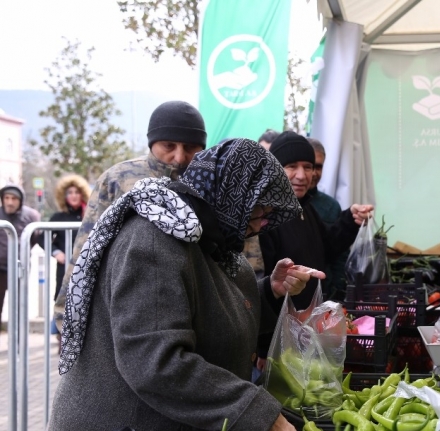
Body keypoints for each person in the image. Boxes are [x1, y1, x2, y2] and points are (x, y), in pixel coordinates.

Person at [49, 138, 322, 431]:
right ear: (232, 196)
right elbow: (156, 364)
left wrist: (270, 291)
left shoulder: (209, 239)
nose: (262, 224)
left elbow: (207, 309)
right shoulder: (154, 242)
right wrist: (257, 413)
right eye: (259, 210)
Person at [53, 100, 207, 333]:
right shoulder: (118, 179)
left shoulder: (209, 184)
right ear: (152, 142)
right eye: (169, 146)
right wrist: (67, 315)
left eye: (190, 148)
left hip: (193, 306)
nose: (179, 156)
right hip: (127, 306)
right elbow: (87, 247)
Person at [256, 131, 373, 369]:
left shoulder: (304, 209)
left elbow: (326, 246)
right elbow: (258, 285)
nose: (302, 175)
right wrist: (262, 346)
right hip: (277, 344)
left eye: (308, 167)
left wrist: (349, 220)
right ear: (276, 168)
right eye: (291, 166)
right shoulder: (264, 218)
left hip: (305, 335)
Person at [306, 137, 347, 299]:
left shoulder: (331, 206)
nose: (314, 173)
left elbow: (340, 255)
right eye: (310, 166)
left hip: (326, 291)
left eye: (319, 167)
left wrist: (338, 291)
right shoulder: (280, 206)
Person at [0, 184, 41, 320]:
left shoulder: (31, 215)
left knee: (18, 306)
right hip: (0, 268)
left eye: (14, 198)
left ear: (20, 200)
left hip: (19, 268)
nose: (10, 202)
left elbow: (35, 237)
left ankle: (18, 340)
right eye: (6, 198)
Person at [48, 174, 90, 300]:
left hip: (86, 266)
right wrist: (56, 252)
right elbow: (42, 238)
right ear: (64, 196)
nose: (73, 195)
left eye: (77, 192)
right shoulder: (58, 217)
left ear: (82, 194)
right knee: (62, 301)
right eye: (70, 192)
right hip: (64, 268)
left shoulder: (89, 215)